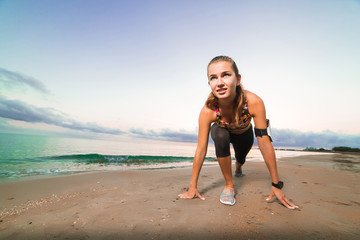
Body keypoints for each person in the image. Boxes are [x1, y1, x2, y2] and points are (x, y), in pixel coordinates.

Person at [178, 56, 298, 209]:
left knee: (241, 158)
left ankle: (239, 166)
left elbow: (264, 142)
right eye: (213, 78)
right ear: (210, 84)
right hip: (223, 131)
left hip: (244, 135)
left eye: (226, 75)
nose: (220, 83)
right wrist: (192, 186)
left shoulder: (254, 102)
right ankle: (229, 185)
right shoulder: (208, 111)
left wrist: (276, 184)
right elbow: (201, 149)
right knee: (220, 135)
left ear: (238, 79)